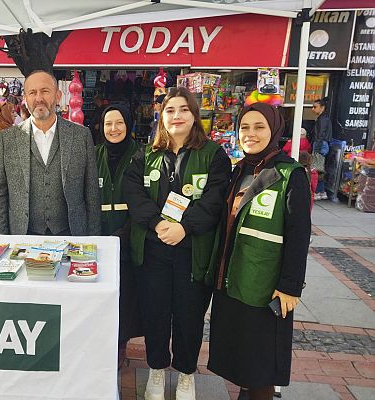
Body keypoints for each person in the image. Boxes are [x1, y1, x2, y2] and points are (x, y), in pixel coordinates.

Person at [124, 87, 231, 400]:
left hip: (192, 252)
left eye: (184, 109)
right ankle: (156, 369)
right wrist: (158, 224)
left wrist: (184, 228)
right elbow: (133, 193)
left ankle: (186, 374)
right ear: (162, 117)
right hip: (153, 250)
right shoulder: (146, 155)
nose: (177, 116)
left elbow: (214, 199)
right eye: (170, 110)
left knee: (189, 316)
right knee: (155, 313)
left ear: (194, 115)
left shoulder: (213, 155)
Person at [206, 102, 311, 400]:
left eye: (259, 127)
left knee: (261, 363)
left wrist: (290, 286)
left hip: (264, 286)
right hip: (232, 278)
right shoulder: (239, 171)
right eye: (244, 127)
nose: (250, 134)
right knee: (242, 358)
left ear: (274, 130)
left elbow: (299, 234)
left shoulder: (290, 175)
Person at [0, 70, 101, 236]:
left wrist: (93, 239)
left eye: (45, 91)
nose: (39, 98)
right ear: (25, 99)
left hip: (71, 235)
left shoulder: (81, 136)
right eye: (32, 93)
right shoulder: (7, 139)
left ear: (58, 96)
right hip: (23, 235)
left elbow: (92, 192)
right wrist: (1, 238)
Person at [95, 105, 143, 368]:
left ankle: (119, 347)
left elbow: (146, 201)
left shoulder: (141, 156)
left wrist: (124, 233)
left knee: (126, 298)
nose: (113, 129)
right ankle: (100, 346)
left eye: (119, 123)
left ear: (129, 124)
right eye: (108, 124)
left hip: (130, 240)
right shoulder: (94, 155)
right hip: (99, 241)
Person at [311, 97, 332, 200]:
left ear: (322, 107)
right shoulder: (324, 118)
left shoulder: (322, 119)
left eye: (315, 107)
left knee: (317, 169)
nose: (313, 109)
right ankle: (321, 191)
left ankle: (319, 191)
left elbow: (321, 134)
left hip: (320, 144)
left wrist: (316, 148)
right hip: (322, 144)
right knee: (318, 169)